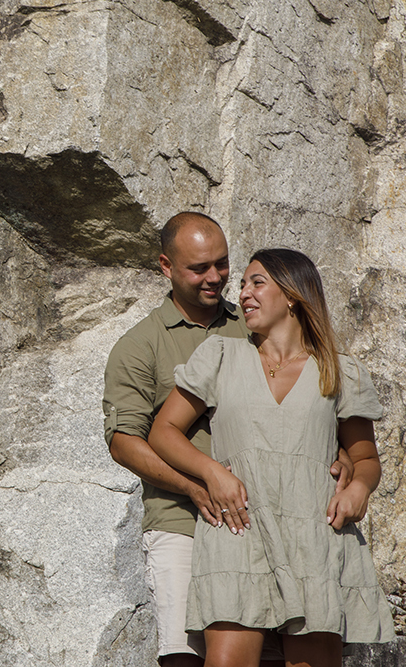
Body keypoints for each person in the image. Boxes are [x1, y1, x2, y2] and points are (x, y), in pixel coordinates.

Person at [104, 212, 332, 667]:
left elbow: (307, 397)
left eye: (222, 264)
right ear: (166, 266)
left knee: (272, 655)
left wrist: (343, 456)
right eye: (198, 268)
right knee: (187, 658)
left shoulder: (253, 324)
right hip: (183, 521)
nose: (215, 277)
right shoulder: (140, 345)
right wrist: (196, 485)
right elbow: (124, 442)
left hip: (264, 521)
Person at [148, 249, 395, 667]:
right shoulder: (220, 356)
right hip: (237, 527)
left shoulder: (340, 371)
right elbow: (163, 431)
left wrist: (358, 489)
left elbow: (365, 456)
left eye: (257, 283)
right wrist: (212, 472)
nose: (243, 293)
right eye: (243, 284)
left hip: (313, 533)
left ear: (293, 295)